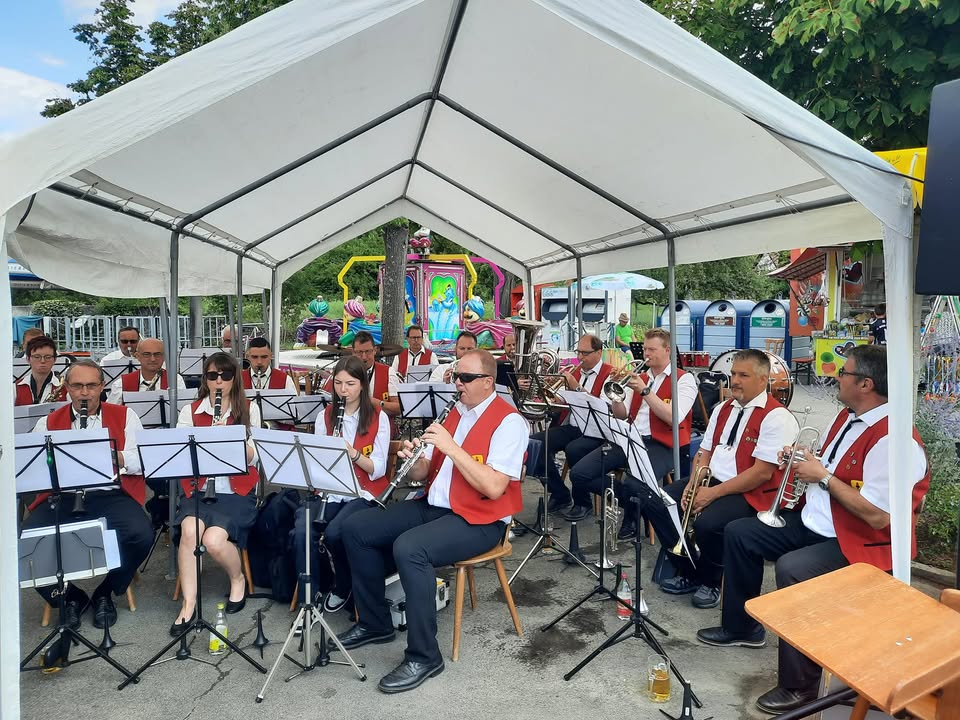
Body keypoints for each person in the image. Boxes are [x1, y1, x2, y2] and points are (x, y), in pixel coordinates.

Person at [696, 345, 929, 714]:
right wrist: (803, 461)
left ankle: (799, 686)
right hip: (818, 519)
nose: (837, 378)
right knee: (741, 533)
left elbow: (878, 517)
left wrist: (823, 475)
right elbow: (830, 469)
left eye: (844, 373)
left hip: (861, 541)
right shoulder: (848, 416)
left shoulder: (893, 441)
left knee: (793, 568)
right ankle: (741, 628)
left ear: (866, 384)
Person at [338, 349, 526, 693]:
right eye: (456, 376)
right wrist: (413, 456)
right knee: (357, 528)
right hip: (438, 504)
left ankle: (425, 656)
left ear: (488, 382)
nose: (457, 383)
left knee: (410, 548)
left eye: (465, 378)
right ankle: (375, 621)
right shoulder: (455, 412)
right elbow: (427, 472)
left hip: (482, 519)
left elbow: (495, 486)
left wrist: (452, 447)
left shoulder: (509, 421)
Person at [636, 349, 798, 609]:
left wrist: (712, 493)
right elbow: (705, 450)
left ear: (763, 379)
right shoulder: (724, 408)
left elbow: (761, 473)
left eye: (743, 375)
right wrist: (692, 483)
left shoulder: (777, 416)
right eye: (733, 374)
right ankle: (689, 568)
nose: (734, 380)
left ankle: (711, 581)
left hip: (749, 491)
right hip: (711, 480)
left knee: (708, 524)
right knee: (655, 499)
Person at [21, 360, 152, 632]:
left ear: (101, 387)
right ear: (67, 388)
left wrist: (114, 456)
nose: (85, 393)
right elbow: (32, 465)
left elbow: (142, 460)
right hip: (64, 496)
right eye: (78, 386)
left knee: (141, 534)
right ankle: (70, 598)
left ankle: (107, 590)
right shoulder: (48, 421)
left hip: (109, 494)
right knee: (25, 545)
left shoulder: (125, 416)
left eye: (91, 385)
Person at [565, 329, 698, 534]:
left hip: (664, 444)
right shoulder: (640, 376)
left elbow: (674, 417)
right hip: (630, 438)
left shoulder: (683, 379)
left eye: (652, 349)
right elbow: (621, 415)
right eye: (645, 349)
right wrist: (616, 397)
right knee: (579, 474)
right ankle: (637, 504)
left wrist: (645, 391)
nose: (646, 354)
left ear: (668, 350)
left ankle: (633, 518)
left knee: (633, 484)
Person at [170, 352, 260, 634]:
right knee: (190, 532)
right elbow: (179, 452)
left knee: (213, 541)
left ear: (235, 379)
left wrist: (229, 439)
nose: (218, 381)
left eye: (225, 375)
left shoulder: (248, 409)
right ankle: (189, 605)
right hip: (198, 489)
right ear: (205, 379)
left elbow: (255, 456)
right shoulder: (190, 411)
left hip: (235, 491)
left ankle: (237, 580)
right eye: (212, 376)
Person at [292, 355, 390, 612]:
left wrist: (352, 453)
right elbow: (315, 465)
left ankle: (343, 585)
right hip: (331, 491)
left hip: (364, 492)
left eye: (350, 384)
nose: (343, 390)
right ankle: (308, 600)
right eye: (338, 384)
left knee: (336, 532)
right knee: (302, 529)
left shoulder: (379, 417)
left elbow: (378, 470)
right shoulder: (325, 416)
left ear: (362, 385)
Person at [527, 334, 614, 514]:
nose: (580, 357)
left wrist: (576, 387)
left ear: (599, 352)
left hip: (598, 430)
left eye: (585, 353)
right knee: (534, 444)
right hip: (574, 426)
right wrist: (550, 393)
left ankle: (583, 502)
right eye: (578, 352)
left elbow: (606, 407)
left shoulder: (609, 374)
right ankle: (560, 493)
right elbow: (561, 405)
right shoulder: (575, 371)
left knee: (575, 449)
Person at [107, 337, 186, 404]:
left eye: (157, 354)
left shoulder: (175, 380)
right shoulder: (121, 384)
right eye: (146, 354)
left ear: (164, 357)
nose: (153, 359)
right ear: (137, 356)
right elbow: (110, 413)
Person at [14, 335, 66, 405]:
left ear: (55, 359)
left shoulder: (66, 388)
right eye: (37, 357)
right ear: (28, 359)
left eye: (48, 357)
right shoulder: (14, 388)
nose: (42, 361)